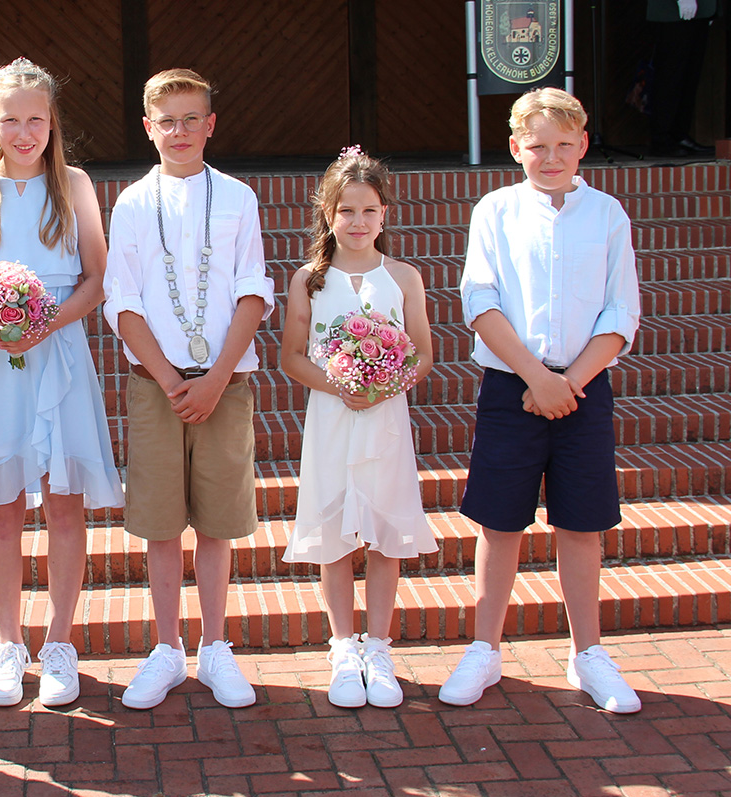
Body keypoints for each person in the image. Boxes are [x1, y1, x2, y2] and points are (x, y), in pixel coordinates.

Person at [441, 88, 642, 713]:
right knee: (499, 523)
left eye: (563, 145)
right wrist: (535, 377)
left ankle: (589, 655)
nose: (550, 157)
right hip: (512, 388)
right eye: (537, 146)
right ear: (514, 148)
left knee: (581, 525)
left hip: (584, 388)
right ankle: (484, 649)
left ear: (582, 145)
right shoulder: (496, 211)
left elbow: (621, 311)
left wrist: (568, 381)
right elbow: (481, 301)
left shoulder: (607, 215)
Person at [0, 58, 123, 707]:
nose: (24, 132)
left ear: (51, 123)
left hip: (58, 350)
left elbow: (98, 278)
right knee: (2, 507)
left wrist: (46, 323)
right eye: (11, 120)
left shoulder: (74, 184)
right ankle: (9, 644)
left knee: (63, 502)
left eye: (35, 120)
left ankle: (60, 644)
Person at [104, 68, 274, 710]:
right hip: (157, 385)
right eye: (167, 121)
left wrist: (217, 378)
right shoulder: (131, 203)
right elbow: (122, 302)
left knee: (217, 522)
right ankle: (167, 648)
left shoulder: (236, 198)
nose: (180, 131)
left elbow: (253, 289)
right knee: (161, 525)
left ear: (210, 124)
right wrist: (174, 380)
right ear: (148, 128)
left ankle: (214, 646)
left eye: (191, 119)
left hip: (225, 384)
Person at [279, 147, 437, 708]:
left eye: (369, 210)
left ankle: (379, 645)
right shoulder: (309, 280)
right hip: (332, 416)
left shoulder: (403, 276)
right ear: (328, 214)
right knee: (335, 534)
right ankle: (343, 645)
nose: (358, 221)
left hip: (385, 419)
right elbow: (291, 356)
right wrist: (338, 383)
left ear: (384, 213)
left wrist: (387, 385)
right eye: (346, 210)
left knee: (385, 531)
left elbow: (423, 353)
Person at [647, 0, 717, 157]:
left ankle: (678, 134)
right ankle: (661, 139)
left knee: (689, 77)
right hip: (672, 12)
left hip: (700, 12)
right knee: (670, 77)